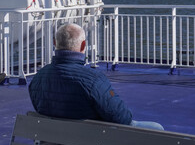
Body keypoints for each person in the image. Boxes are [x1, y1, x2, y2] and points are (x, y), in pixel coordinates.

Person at [29, 23, 163, 130]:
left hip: (56, 144)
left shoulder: (38, 78)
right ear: (83, 45)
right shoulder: (93, 80)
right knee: (157, 128)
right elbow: (122, 119)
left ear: (54, 43)